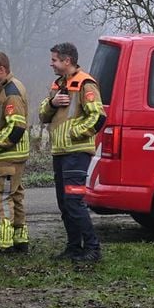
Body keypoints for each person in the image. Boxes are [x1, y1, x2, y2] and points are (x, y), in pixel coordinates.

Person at [40, 42, 104, 265]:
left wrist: (74, 133)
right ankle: (74, 247)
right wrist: (52, 102)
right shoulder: (58, 85)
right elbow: (42, 115)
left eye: (54, 60)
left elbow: (98, 117)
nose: (51, 64)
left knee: (74, 200)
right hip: (60, 152)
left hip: (76, 152)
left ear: (67, 60)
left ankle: (93, 248)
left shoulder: (86, 83)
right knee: (64, 203)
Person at [0, 52, 30, 254]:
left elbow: (16, 127)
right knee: (15, 196)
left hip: (7, 156)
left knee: (0, 198)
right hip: (13, 155)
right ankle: (20, 239)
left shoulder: (11, 92)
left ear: (1, 69)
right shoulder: (5, 89)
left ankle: (3, 244)